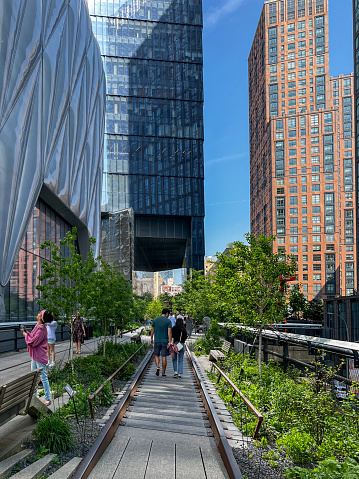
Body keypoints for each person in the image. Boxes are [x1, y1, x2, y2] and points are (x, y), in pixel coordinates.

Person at [21, 310, 53, 406]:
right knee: (34, 377)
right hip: (35, 355)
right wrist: (27, 333)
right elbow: (33, 336)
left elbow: (33, 342)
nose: (38, 314)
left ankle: (47, 398)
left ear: (41, 318)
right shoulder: (37, 326)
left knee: (43, 378)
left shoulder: (42, 329)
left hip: (40, 356)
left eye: (39, 313)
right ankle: (34, 397)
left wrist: (25, 335)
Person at [151, 308, 172, 377]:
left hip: (157, 340)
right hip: (165, 341)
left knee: (156, 355)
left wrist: (151, 338)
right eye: (168, 314)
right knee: (164, 357)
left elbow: (152, 330)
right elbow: (169, 331)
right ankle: (163, 372)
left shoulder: (155, 320)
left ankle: (157, 366)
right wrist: (169, 341)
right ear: (166, 313)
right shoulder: (168, 321)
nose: (168, 316)